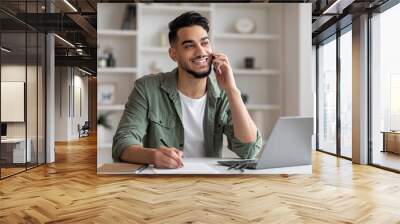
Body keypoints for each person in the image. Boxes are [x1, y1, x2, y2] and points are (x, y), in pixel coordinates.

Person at [112, 11, 262, 169]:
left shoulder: (224, 92)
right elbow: (122, 143)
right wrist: (153, 156)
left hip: (210, 184)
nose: (201, 52)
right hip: (162, 184)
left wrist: (232, 90)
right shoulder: (147, 88)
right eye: (189, 45)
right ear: (173, 54)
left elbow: (249, 150)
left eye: (204, 43)